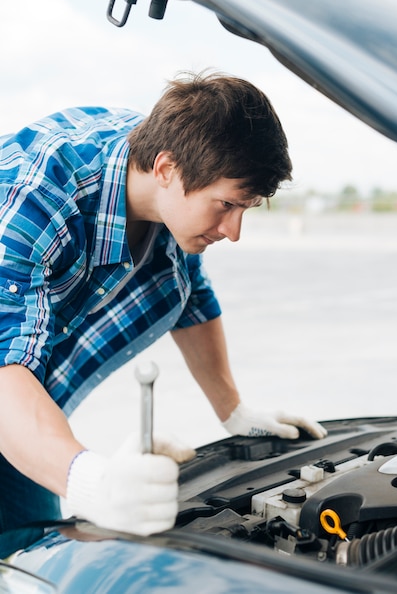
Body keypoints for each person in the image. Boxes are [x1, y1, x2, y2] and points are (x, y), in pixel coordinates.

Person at [0, 71, 326, 545]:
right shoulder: (34, 198)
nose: (234, 231)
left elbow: (192, 296)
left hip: (22, 411)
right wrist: (95, 484)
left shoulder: (163, 167)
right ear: (168, 169)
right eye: (226, 206)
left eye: (246, 210)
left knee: (32, 548)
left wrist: (233, 410)